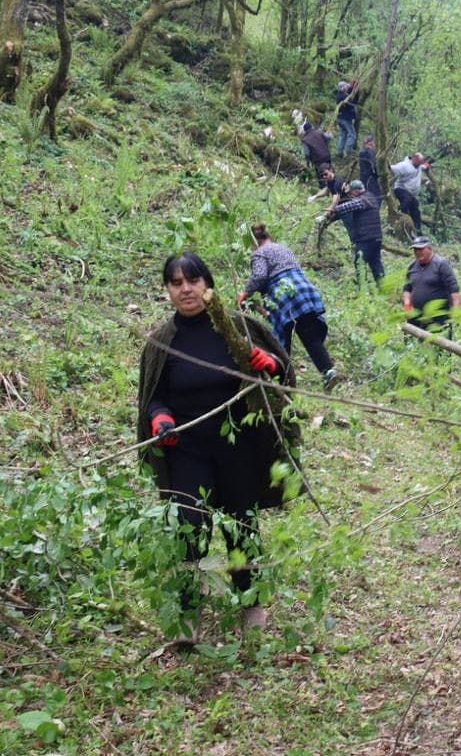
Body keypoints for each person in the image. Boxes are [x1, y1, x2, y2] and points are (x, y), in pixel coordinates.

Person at [136, 252, 297, 642]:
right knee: (189, 527)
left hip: (237, 446)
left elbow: (283, 370)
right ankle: (188, 609)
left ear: (208, 285)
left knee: (242, 525)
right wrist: (160, 418)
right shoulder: (161, 342)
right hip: (187, 449)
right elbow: (152, 397)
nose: (186, 289)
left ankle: (251, 603)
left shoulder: (236, 327)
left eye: (193, 280)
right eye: (176, 283)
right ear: (167, 290)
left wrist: (269, 363)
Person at [241, 223, 338, 392]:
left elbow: (260, 276)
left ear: (254, 242)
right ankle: (328, 371)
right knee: (309, 335)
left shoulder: (259, 253)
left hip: (285, 294)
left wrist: (244, 293)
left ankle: (282, 381)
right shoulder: (282, 248)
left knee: (279, 342)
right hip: (303, 288)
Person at [329, 179, 385, 285]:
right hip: (376, 238)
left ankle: (362, 289)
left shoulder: (363, 200)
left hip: (366, 239)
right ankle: (383, 287)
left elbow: (348, 206)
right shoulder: (371, 197)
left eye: (353, 193)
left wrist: (333, 209)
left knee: (360, 263)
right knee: (375, 263)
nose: (352, 195)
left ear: (356, 191)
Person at [402, 236, 461, 332]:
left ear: (429, 248)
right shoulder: (412, 267)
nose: (417, 252)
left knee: (438, 344)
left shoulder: (441, 264)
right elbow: (407, 289)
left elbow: (454, 289)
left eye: (421, 249)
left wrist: (456, 312)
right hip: (416, 317)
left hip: (438, 317)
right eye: (415, 250)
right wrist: (407, 305)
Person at [390, 152, 430, 235]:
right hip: (400, 189)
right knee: (406, 199)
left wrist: (427, 166)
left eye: (421, 162)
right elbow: (392, 168)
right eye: (419, 162)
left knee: (416, 208)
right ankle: (401, 215)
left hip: (411, 194)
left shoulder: (419, 166)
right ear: (414, 159)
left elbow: (424, 166)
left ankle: (418, 230)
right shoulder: (404, 165)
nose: (420, 164)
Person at [334, 80, 359, 158]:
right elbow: (353, 103)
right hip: (345, 119)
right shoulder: (344, 97)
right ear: (342, 88)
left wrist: (353, 88)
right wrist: (357, 94)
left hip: (340, 118)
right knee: (352, 135)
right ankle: (349, 152)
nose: (347, 87)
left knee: (343, 135)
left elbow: (349, 95)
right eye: (346, 86)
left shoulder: (340, 95)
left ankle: (339, 152)